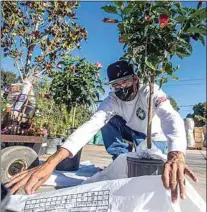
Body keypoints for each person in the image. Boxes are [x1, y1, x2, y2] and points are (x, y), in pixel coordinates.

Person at [6, 60, 198, 203]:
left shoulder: (149, 91)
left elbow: (170, 117)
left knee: (155, 169)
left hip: (154, 138)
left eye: (125, 82)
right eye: (116, 85)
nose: (120, 88)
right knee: (106, 121)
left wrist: (176, 154)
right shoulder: (113, 100)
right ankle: (120, 161)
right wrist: (50, 163)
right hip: (131, 131)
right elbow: (91, 125)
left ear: (135, 79)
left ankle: (135, 161)